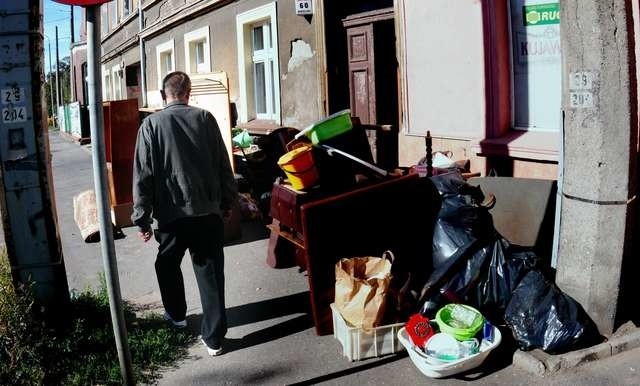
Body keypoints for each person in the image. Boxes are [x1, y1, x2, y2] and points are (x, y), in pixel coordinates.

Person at [131, 71, 237, 356]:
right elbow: (223, 165)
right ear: (188, 93)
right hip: (207, 213)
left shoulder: (150, 125)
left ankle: (177, 315)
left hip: (171, 216)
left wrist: (141, 218)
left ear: (162, 95)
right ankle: (214, 339)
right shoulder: (205, 119)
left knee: (166, 265)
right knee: (211, 273)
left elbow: (143, 175)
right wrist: (227, 202)